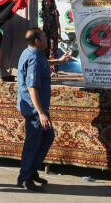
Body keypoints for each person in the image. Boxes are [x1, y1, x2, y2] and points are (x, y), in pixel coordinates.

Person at [16, 28, 70, 192]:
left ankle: (31, 171)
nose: (47, 38)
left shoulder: (33, 53)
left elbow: (43, 63)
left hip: (37, 107)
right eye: (44, 36)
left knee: (47, 136)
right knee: (33, 142)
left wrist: (58, 61)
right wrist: (41, 113)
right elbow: (32, 87)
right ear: (37, 41)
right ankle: (25, 177)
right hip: (34, 109)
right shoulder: (32, 58)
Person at [40, 0, 62, 76]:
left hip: (53, 34)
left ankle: (54, 71)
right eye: (45, 1)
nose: (47, 3)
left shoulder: (55, 11)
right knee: (45, 51)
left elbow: (58, 24)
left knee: (53, 52)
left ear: (52, 2)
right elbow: (44, 23)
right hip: (45, 34)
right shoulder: (42, 12)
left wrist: (59, 35)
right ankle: (45, 69)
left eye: (49, 1)